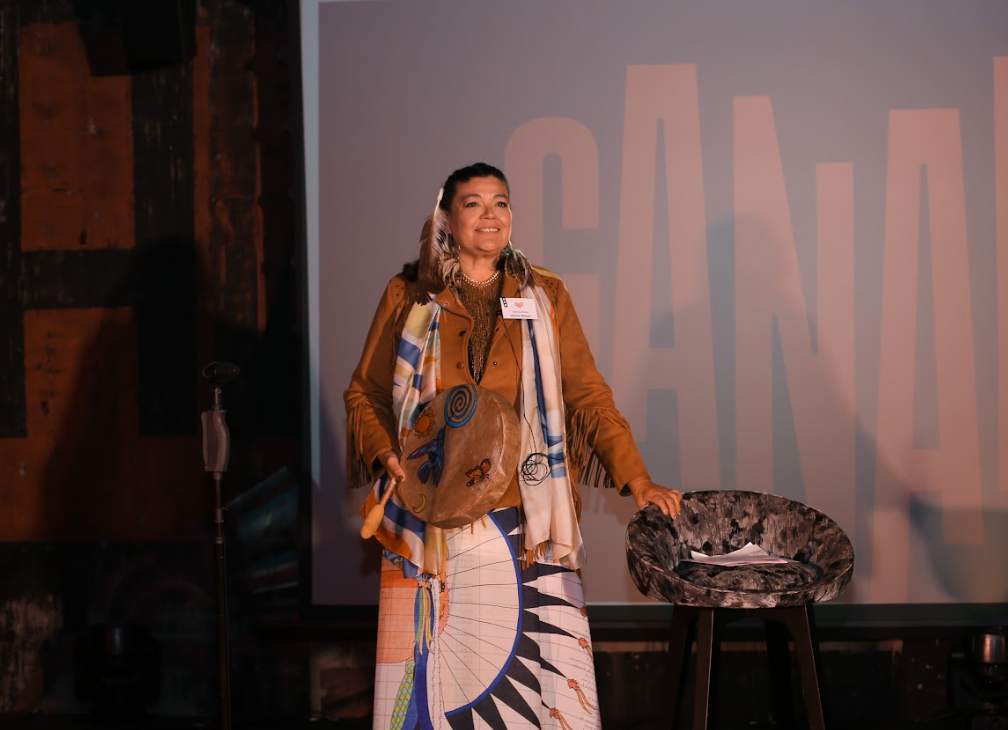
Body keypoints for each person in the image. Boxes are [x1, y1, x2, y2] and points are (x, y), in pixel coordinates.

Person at [345, 162, 682, 730]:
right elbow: (365, 394)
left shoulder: (544, 294)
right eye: (473, 203)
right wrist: (386, 454)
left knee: (539, 700)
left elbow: (589, 398)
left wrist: (637, 478)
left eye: (500, 202)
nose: (490, 215)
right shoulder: (409, 295)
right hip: (431, 527)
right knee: (438, 698)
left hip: (527, 526)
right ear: (446, 219)